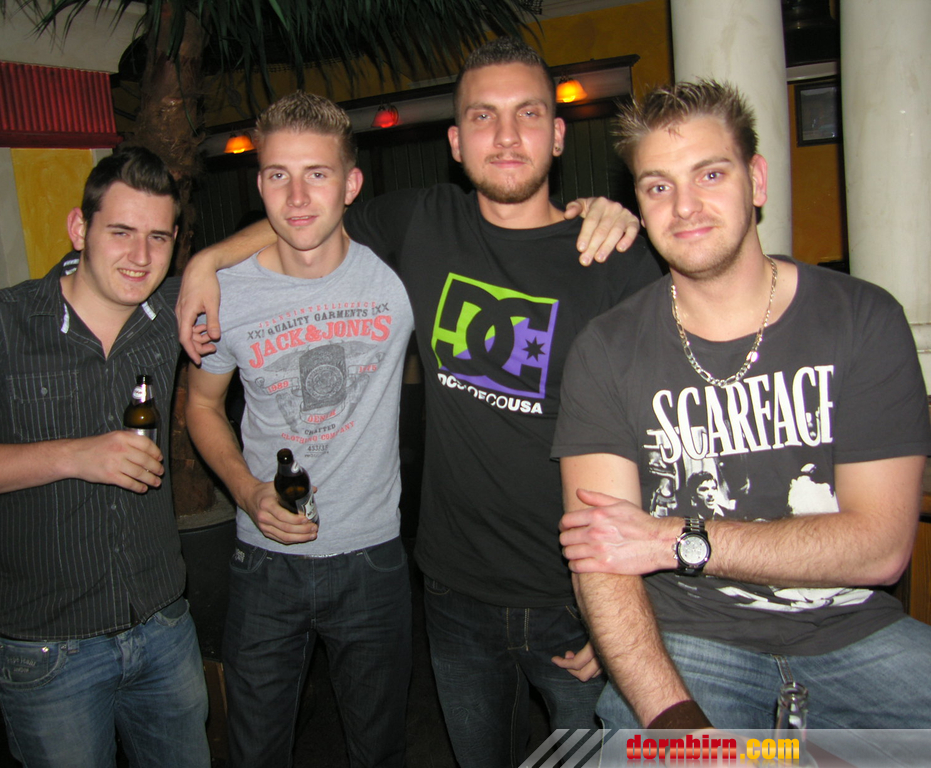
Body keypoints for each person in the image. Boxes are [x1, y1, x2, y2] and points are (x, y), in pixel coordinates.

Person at [178, 38, 661, 766]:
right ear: (455, 142)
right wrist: (206, 259)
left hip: (579, 593)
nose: (506, 136)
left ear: (559, 134)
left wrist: (633, 605)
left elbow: (666, 438)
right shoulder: (418, 225)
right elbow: (309, 220)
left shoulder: (617, 259)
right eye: (483, 116)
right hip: (452, 591)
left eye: (528, 114)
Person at [553, 79, 931, 731]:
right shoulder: (607, 349)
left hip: (852, 633)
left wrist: (674, 538)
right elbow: (602, 560)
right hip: (688, 642)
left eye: (711, 174)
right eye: (658, 186)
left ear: (756, 180)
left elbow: (880, 547)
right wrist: (675, 724)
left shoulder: (862, 319)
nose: (685, 207)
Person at [0, 147, 211, 767]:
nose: (140, 256)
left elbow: (286, 235)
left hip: (163, 626)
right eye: (120, 232)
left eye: (158, 237)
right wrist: (75, 455)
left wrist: (206, 263)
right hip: (50, 651)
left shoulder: (169, 312)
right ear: (80, 228)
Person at [184, 91, 414, 768]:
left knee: (379, 752)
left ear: (351, 184)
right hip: (264, 564)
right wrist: (245, 489)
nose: (297, 196)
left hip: (373, 559)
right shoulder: (226, 293)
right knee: (254, 751)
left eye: (317, 173)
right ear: (259, 185)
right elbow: (201, 406)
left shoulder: (396, 274)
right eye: (278, 175)